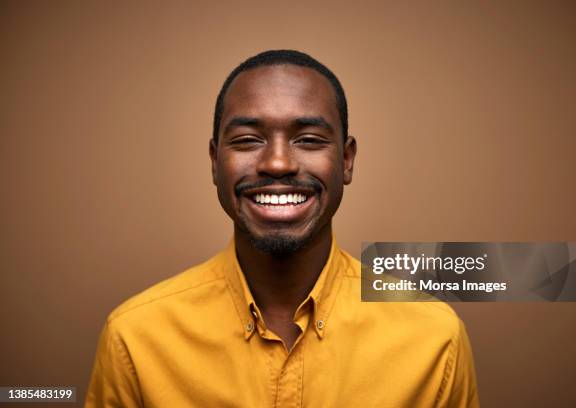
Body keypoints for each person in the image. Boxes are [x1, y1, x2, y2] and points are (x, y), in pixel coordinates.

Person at [86, 49, 479, 407]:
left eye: (308, 140)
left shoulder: (434, 339)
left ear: (346, 161)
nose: (277, 163)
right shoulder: (134, 339)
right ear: (213, 161)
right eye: (247, 140)